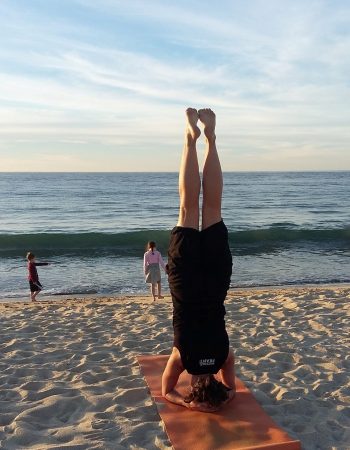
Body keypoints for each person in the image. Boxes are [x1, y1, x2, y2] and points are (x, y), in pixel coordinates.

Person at [161, 108, 236, 412]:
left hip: (216, 282)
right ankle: (190, 140)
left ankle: (212, 140)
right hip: (185, 285)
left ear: (215, 382)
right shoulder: (183, 358)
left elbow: (231, 391)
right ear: (193, 388)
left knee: (214, 208)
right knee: (187, 209)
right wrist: (188, 405)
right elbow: (167, 391)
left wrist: (224, 396)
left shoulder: (223, 356)